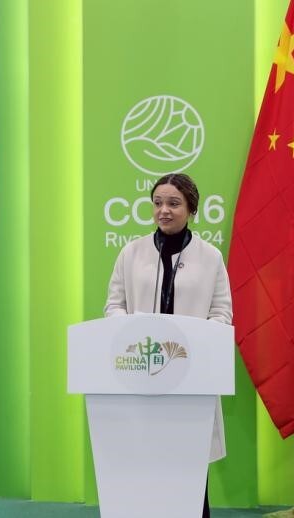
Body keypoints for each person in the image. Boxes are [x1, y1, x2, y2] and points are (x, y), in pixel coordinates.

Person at [104, 173, 232, 518]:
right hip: (141, 372)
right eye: (158, 203)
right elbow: (114, 305)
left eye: (174, 203)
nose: (164, 210)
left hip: (190, 376)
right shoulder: (131, 253)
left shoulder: (210, 257)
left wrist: (195, 338)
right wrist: (129, 330)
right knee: (145, 463)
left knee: (189, 466)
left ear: (191, 209)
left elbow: (222, 313)